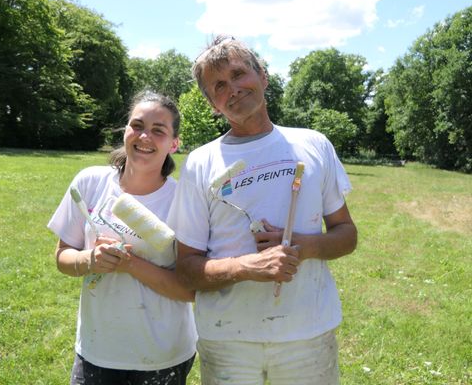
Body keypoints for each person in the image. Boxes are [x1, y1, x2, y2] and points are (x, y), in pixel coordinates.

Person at [167, 36, 358, 385]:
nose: (234, 89)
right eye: (219, 86)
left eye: (239, 74)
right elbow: (186, 269)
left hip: (308, 334)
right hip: (228, 340)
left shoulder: (313, 144)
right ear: (212, 103)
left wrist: (304, 246)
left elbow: (347, 234)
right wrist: (247, 266)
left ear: (263, 76)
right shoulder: (200, 163)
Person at [47, 90, 197, 385]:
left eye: (158, 131)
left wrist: (130, 264)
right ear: (126, 130)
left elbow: (191, 291)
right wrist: (88, 259)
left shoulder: (184, 200)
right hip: (97, 348)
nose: (144, 137)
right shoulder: (90, 182)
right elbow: (62, 256)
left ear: (174, 144)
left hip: (162, 353)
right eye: (137, 126)